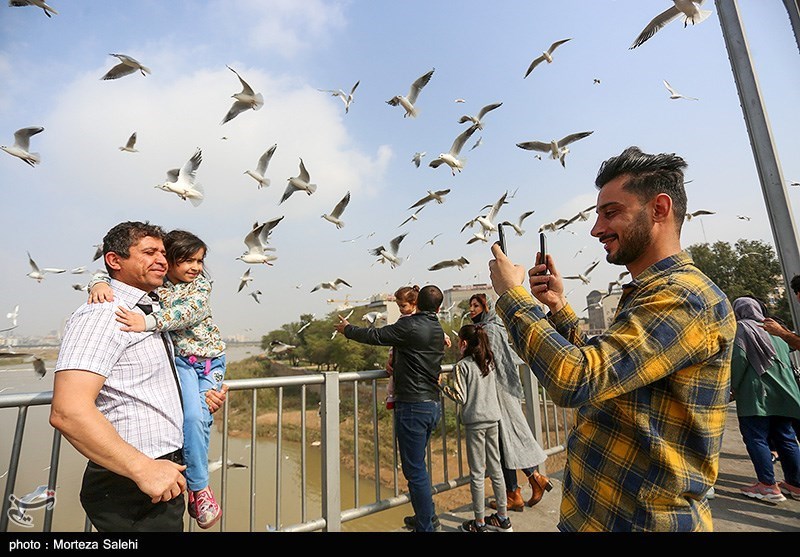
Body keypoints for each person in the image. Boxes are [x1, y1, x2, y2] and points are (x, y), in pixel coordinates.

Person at [488, 146, 737, 531]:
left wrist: (511, 296)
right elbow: (611, 370)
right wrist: (557, 307)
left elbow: (577, 379)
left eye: (611, 213)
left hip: (642, 521)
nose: (596, 229)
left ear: (659, 209)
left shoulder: (684, 298)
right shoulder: (650, 292)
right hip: (601, 515)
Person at [49, 221, 187, 532]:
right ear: (114, 261)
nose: (162, 261)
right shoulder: (104, 314)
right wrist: (142, 469)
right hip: (132, 477)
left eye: (163, 253)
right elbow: (68, 411)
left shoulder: (148, 313)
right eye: (149, 252)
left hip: (162, 465)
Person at [88, 229, 227, 529]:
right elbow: (112, 271)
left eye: (200, 261)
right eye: (186, 260)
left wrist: (147, 322)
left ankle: (200, 487)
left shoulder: (199, 288)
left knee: (196, 417)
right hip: (182, 366)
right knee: (194, 415)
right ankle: (198, 487)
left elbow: (188, 312)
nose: (195, 267)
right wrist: (98, 282)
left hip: (206, 361)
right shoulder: (156, 286)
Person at [334, 284, 445, 532]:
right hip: (432, 404)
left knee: (414, 471)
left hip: (413, 406)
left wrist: (347, 330)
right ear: (437, 307)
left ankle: (426, 526)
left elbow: (376, 336)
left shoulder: (411, 326)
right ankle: (426, 517)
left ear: (418, 303)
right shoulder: (438, 328)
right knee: (419, 467)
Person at [467, 293, 551, 511]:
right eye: (470, 306)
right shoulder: (491, 326)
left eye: (476, 305)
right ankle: (526, 484)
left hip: (499, 391)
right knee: (506, 441)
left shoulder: (491, 329)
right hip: (498, 391)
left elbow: (490, 358)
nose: (472, 309)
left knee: (505, 441)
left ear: (486, 307)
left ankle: (518, 489)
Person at [440, 323, 513, 532]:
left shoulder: (462, 367)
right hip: (493, 418)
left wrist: (441, 384)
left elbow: (460, 397)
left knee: (477, 473)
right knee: (496, 469)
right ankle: (503, 518)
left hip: (475, 422)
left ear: (463, 343)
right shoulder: (489, 362)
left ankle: (479, 523)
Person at [730, 296, 800, 502]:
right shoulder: (776, 330)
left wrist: (730, 387)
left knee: (756, 437)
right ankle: (795, 484)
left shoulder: (742, 329)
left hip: (758, 395)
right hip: (786, 394)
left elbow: (739, 360)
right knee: (786, 437)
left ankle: (768, 486)